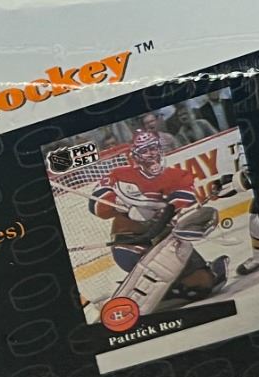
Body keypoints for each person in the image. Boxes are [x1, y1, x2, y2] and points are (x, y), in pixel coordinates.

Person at [89, 131, 227, 306]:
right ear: (135, 156)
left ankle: (159, 292)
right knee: (203, 284)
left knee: (205, 284)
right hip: (130, 247)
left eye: (153, 148)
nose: (151, 154)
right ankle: (151, 290)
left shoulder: (178, 176)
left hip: (165, 243)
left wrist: (153, 217)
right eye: (144, 151)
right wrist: (119, 202)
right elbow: (97, 206)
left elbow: (182, 208)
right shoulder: (119, 175)